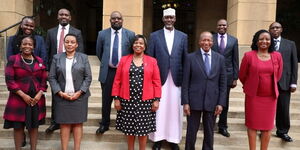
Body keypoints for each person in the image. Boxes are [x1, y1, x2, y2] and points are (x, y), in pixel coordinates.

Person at [112, 34, 161, 150]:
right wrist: (116, 98)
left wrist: (156, 99)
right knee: (129, 130)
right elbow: (117, 81)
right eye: (136, 43)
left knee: (143, 130)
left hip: (146, 101)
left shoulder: (152, 61)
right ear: (132, 45)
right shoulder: (124, 60)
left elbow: (157, 82)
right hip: (127, 100)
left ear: (144, 46)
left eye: (141, 43)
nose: (138, 45)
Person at [148, 8, 188, 150]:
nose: (169, 20)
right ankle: (157, 139)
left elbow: (185, 59)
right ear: (163, 19)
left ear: (175, 19)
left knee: (175, 109)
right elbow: (150, 59)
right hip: (159, 78)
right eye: (167, 18)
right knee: (159, 109)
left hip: (177, 79)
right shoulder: (154, 36)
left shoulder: (183, 36)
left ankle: (173, 139)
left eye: (172, 17)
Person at [239, 30, 283, 150]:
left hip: (270, 97)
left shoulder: (277, 56)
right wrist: (249, 86)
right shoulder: (248, 56)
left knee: (267, 126)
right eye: (261, 39)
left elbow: (278, 75)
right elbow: (242, 75)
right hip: (253, 97)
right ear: (256, 41)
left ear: (271, 41)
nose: (264, 41)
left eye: (267, 39)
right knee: (252, 126)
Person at [182, 31, 226, 150]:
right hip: (193, 101)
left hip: (212, 101)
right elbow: (185, 82)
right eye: (203, 40)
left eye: (209, 40)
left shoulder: (220, 59)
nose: (206, 42)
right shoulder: (190, 57)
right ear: (199, 42)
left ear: (213, 42)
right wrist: (185, 102)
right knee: (191, 131)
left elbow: (223, 83)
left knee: (209, 132)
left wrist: (221, 103)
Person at [48, 33, 92, 150]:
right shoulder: (57, 58)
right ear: (63, 43)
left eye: (72, 42)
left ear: (77, 44)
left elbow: (88, 77)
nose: (69, 44)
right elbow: (52, 77)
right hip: (62, 97)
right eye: (67, 42)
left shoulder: (83, 57)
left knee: (78, 123)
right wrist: (59, 92)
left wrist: (80, 92)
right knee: (64, 124)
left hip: (80, 97)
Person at [3, 35, 48, 150]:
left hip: (35, 100)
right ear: (20, 46)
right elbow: (10, 80)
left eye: (30, 44)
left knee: (34, 126)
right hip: (18, 98)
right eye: (24, 44)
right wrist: (23, 95)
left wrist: (39, 94)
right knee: (18, 126)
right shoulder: (13, 59)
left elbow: (43, 80)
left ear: (33, 47)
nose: (27, 46)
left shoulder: (40, 61)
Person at [45, 8, 84, 133]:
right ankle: (54, 122)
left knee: (72, 94)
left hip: (72, 67)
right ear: (57, 16)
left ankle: (71, 120)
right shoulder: (51, 32)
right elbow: (47, 51)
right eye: (61, 14)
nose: (64, 16)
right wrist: (47, 69)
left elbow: (81, 51)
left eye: (66, 15)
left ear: (70, 18)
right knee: (56, 95)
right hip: (55, 68)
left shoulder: (76, 32)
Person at [95, 11, 135, 134]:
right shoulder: (102, 34)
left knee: (123, 99)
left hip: (124, 73)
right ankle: (104, 123)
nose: (116, 20)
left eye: (118, 18)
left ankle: (122, 123)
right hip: (108, 72)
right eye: (113, 18)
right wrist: (110, 63)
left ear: (122, 20)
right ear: (110, 20)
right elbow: (99, 52)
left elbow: (132, 53)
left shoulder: (130, 34)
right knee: (106, 100)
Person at [269, 22, 298, 142]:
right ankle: (264, 130)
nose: (275, 29)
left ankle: (283, 131)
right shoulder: (265, 42)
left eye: (277, 27)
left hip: (284, 82)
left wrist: (293, 82)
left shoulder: (290, 44)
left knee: (283, 108)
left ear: (281, 29)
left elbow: (294, 64)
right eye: (273, 28)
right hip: (268, 81)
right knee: (267, 108)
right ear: (269, 30)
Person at [211, 19, 239, 137]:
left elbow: (235, 59)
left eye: (224, 25)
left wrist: (235, 77)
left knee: (224, 102)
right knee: (212, 101)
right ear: (217, 27)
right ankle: (211, 125)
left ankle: (223, 127)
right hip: (212, 75)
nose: (221, 27)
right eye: (219, 25)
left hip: (227, 76)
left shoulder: (233, 40)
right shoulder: (211, 38)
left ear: (227, 26)